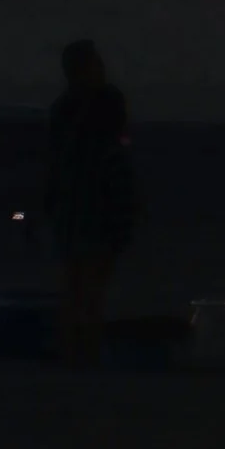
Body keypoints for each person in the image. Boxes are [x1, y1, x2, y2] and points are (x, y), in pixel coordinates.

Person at [46, 39, 134, 364]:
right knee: (89, 281)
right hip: (93, 204)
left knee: (77, 282)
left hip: (76, 205)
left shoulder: (65, 108)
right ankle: (85, 348)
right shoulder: (104, 103)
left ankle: (76, 347)